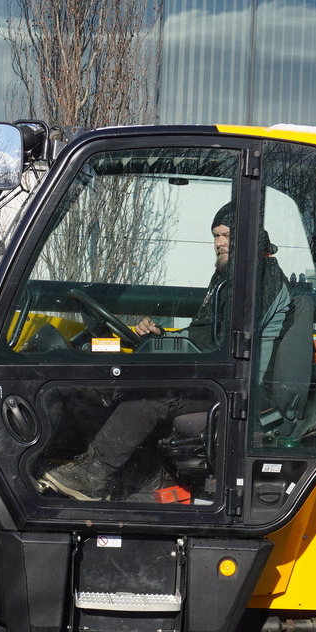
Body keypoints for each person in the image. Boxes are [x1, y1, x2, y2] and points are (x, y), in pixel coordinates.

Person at [38, 202, 290, 502]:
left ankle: (95, 473)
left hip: (239, 387)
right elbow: (202, 333)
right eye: (215, 235)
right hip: (218, 372)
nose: (219, 243)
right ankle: (106, 473)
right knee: (114, 371)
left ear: (249, 238)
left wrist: (170, 354)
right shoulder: (229, 277)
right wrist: (162, 335)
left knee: (151, 395)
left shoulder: (258, 280)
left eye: (227, 235)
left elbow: (229, 347)